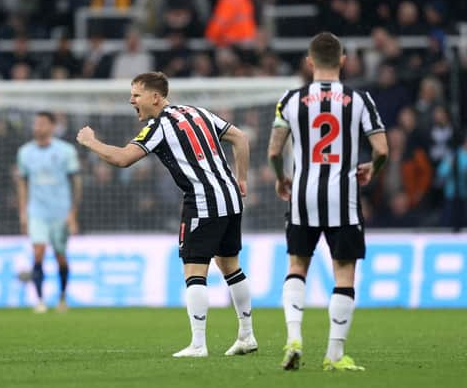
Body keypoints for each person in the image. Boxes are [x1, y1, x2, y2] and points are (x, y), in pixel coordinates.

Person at [76, 72, 257, 358]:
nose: (131, 99)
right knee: (230, 266)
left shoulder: (159, 126)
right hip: (230, 197)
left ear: (155, 97)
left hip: (202, 201)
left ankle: (198, 344)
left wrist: (90, 142)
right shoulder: (198, 112)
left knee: (194, 270)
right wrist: (242, 178)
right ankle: (247, 336)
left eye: (136, 94)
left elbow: (123, 159)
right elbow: (240, 138)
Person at [267, 32, 388, 371]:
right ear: (343, 60)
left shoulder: (290, 99)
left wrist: (281, 176)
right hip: (343, 197)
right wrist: (372, 170)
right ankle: (334, 355)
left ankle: (294, 337)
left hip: (303, 195)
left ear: (309, 62)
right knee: (344, 274)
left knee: (296, 267)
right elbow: (382, 150)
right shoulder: (359, 99)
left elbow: (275, 150)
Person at [17, 112, 82, 313]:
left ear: (52, 127)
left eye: (43, 124)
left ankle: (62, 297)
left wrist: (73, 213)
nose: (38, 127)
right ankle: (40, 300)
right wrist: (23, 211)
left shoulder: (65, 151)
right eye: (36, 124)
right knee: (38, 251)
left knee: (60, 256)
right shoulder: (25, 152)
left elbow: (76, 182)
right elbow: (22, 182)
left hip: (61, 212)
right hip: (37, 211)